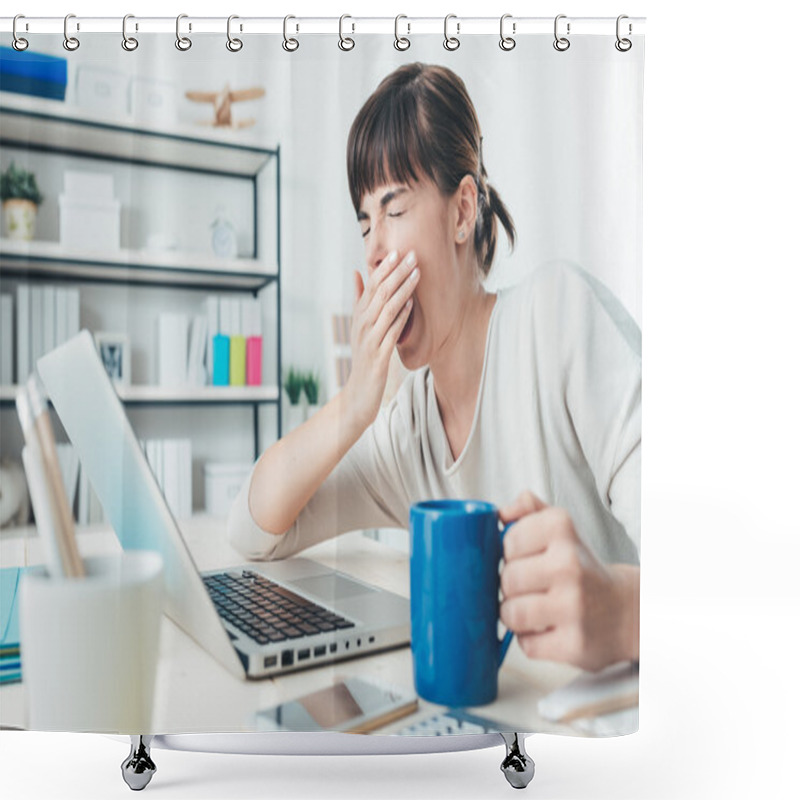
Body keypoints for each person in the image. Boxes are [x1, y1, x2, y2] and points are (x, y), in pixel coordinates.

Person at [227, 62, 641, 673]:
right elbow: (253, 529)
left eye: (393, 210)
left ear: (461, 211)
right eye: (364, 221)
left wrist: (625, 613)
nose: (372, 248)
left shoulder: (558, 318)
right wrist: (353, 406)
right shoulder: (406, 431)